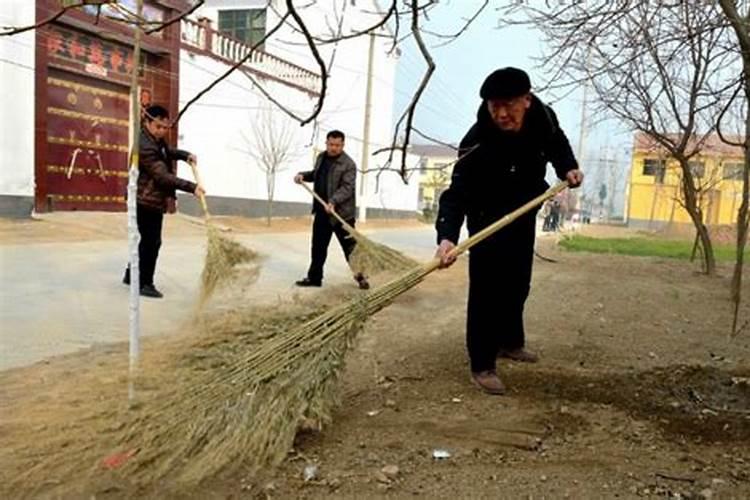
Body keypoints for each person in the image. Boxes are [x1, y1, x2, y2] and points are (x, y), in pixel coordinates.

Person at [434, 67, 584, 395]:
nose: (501, 114)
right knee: (487, 290)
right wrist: (447, 237)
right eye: (494, 107)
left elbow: (558, 144)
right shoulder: (476, 141)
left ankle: (510, 342)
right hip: (485, 217)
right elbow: (456, 193)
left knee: (518, 283)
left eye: (509, 105)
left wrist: (568, 168)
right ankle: (482, 363)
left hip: (524, 209)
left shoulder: (544, 121)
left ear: (526, 100)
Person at [123, 105, 205, 298]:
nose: (161, 131)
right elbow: (162, 176)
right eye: (158, 126)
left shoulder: (155, 140)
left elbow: (167, 152)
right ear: (147, 122)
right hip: (145, 200)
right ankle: (144, 283)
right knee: (152, 242)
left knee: (145, 240)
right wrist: (191, 187)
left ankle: (130, 274)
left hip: (150, 199)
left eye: (164, 127)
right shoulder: (144, 145)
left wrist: (185, 155)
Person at [293, 130, 369, 290]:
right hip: (322, 212)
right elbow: (316, 174)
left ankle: (361, 278)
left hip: (341, 215)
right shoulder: (321, 157)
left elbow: (347, 188)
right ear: (326, 143)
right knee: (318, 247)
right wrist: (303, 176)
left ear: (343, 145)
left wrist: (333, 201)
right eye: (331, 144)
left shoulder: (348, 164)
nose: (333, 148)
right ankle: (314, 278)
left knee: (350, 249)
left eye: (337, 145)